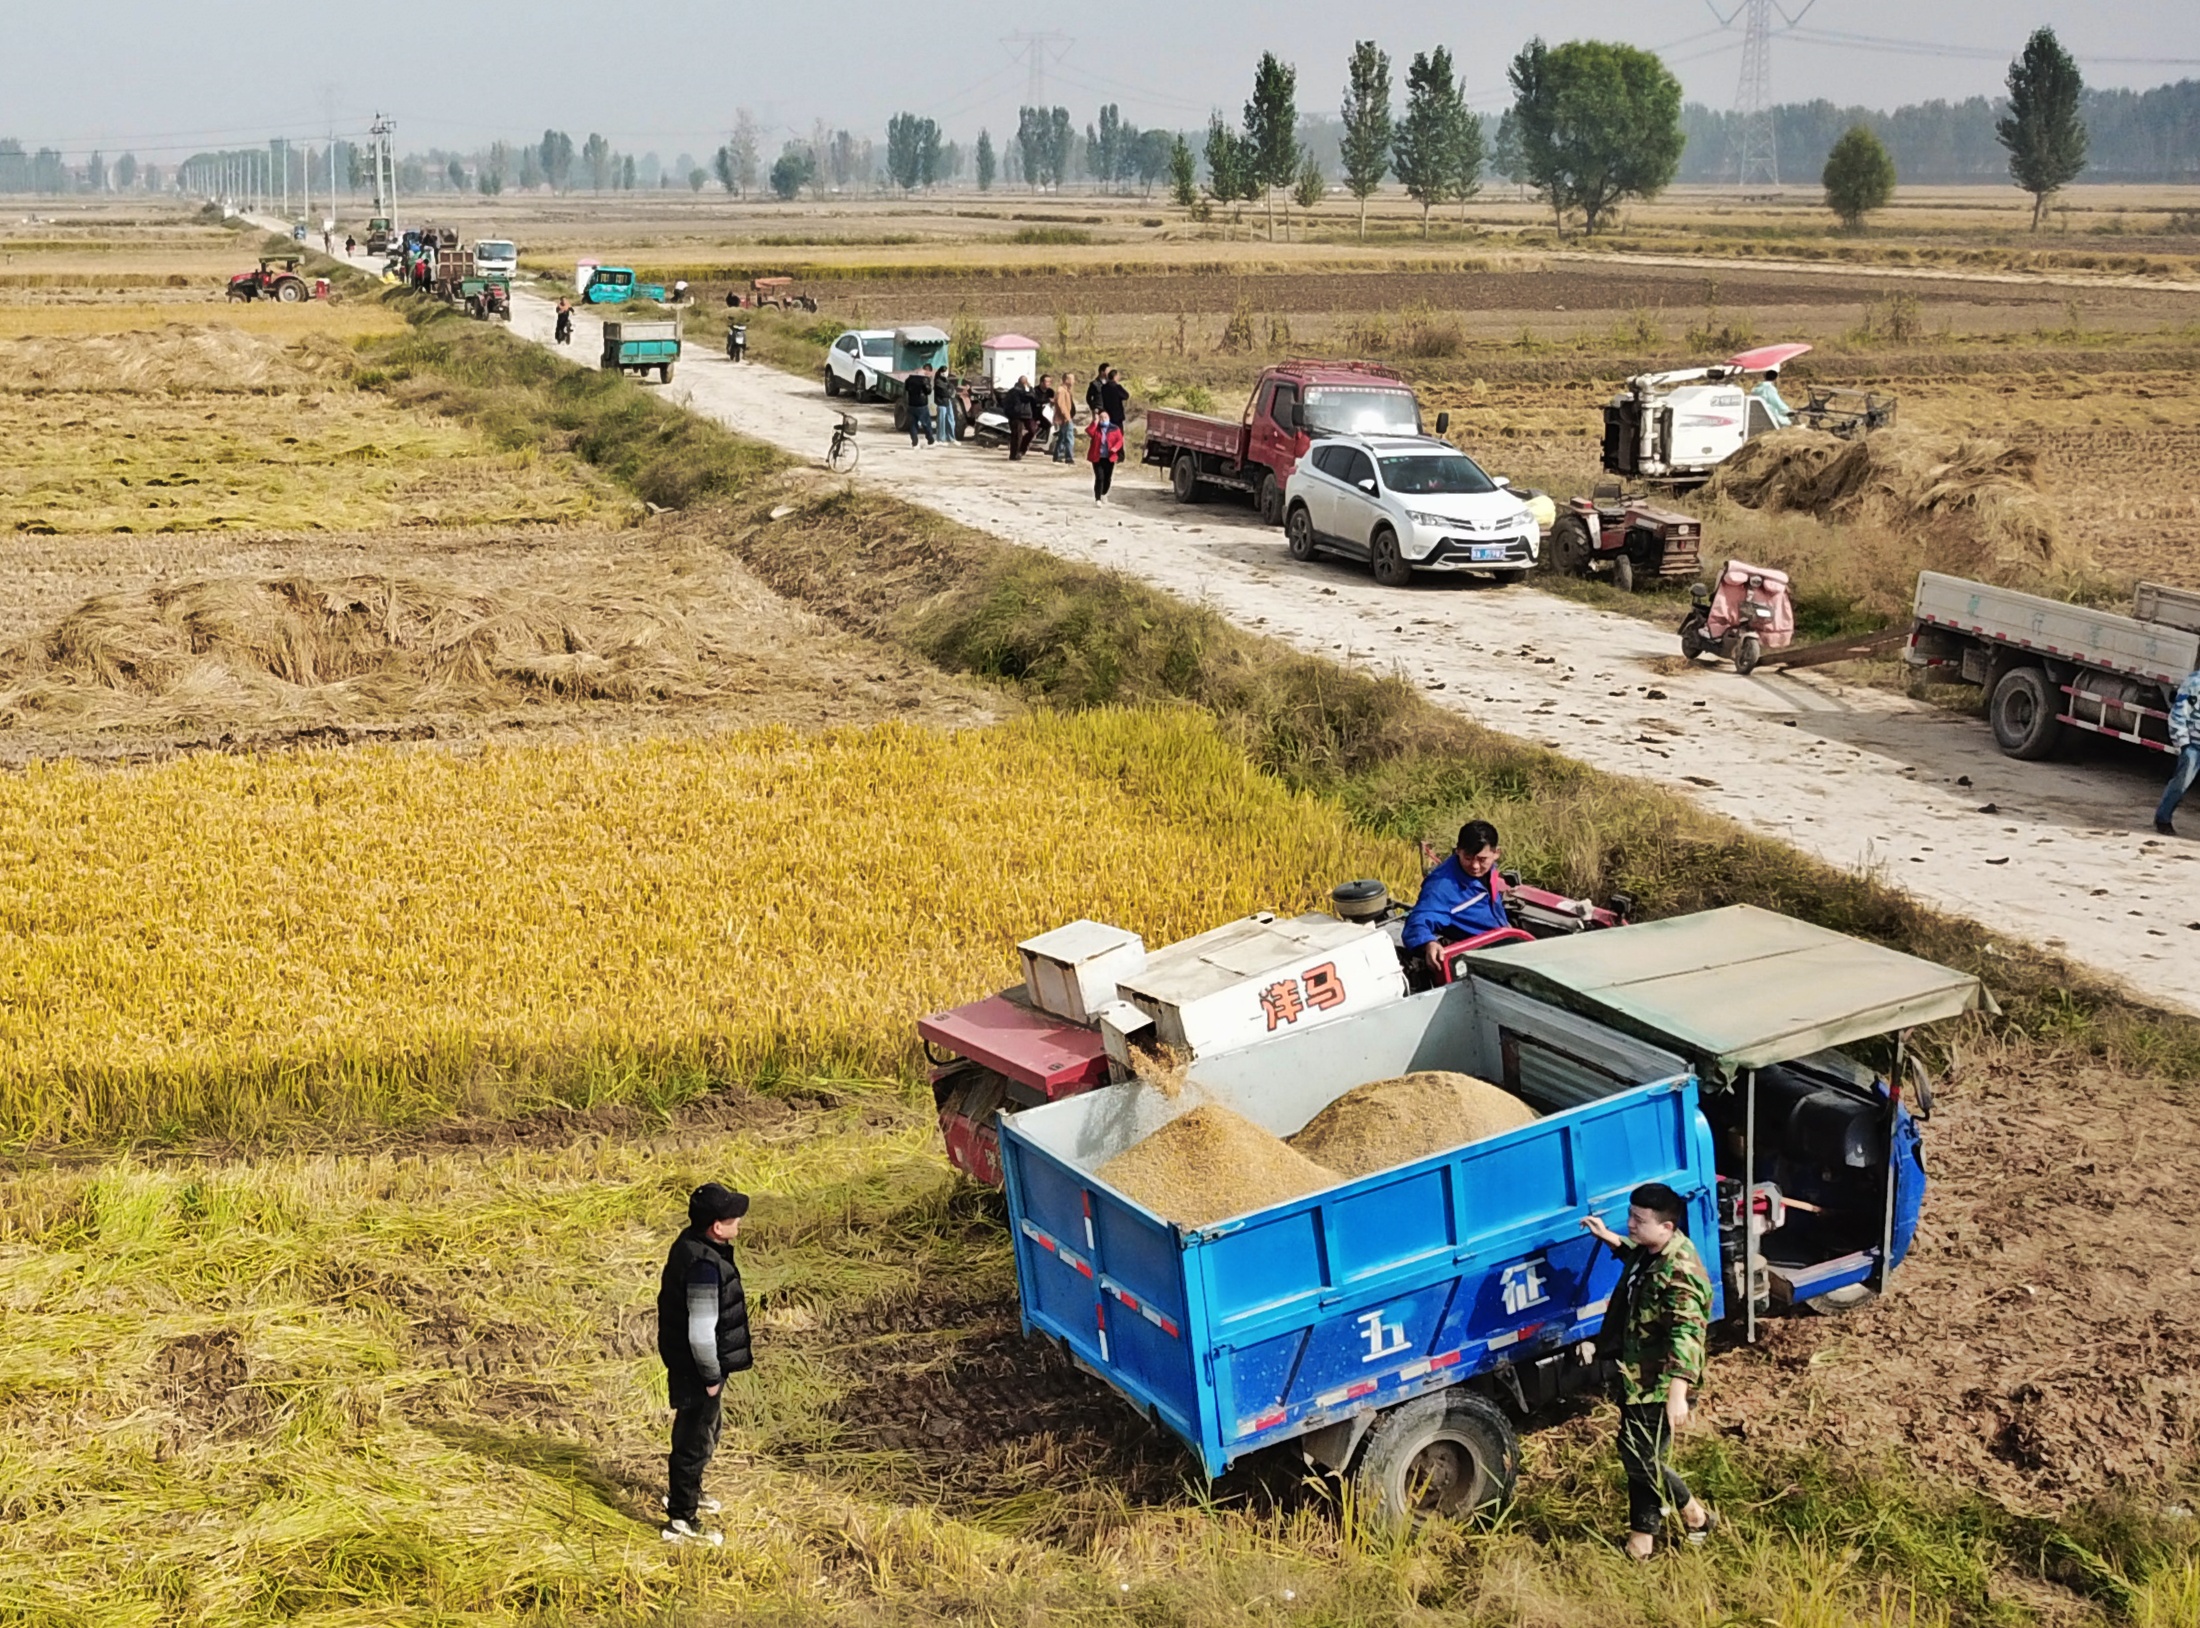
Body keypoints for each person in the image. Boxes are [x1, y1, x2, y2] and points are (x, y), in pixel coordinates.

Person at [1581, 1184, 1716, 1560]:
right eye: (1630, 1217)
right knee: (1639, 1455)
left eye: (1639, 1221)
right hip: (1637, 1374)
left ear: (1668, 1227)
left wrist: (1678, 1395)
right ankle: (1641, 1541)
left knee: (1641, 1458)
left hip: (1659, 1383)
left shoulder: (1682, 1272)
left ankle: (1696, 1515)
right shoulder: (1651, 1250)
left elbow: (1687, 1335)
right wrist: (1610, 1239)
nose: (1630, 1225)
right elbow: (1638, 1260)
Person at [658, 1181, 753, 1547]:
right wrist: (711, 1376)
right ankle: (681, 1519)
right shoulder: (703, 1265)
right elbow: (700, 1333)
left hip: (694, 1365)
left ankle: (688, 1494)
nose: (739, 1223)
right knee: (694, 1441)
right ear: (717, 1226)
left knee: (705, 1433)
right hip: (698, 1369)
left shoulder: (694, 1245)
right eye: (734, 1218)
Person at [1401, 819, 1509, 974]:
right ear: (1458, 850)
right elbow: (1418, 920)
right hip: (1477, 956)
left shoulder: (1488, 871)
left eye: (1482, 859)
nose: (1475, 866)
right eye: (1468, 858)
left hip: (1502, 938)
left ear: (1496, 853)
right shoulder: (1442, 887)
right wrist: (1428, 943)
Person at [2157, 668, 2200, 834]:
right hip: (2194, 745)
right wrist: (2183, 743)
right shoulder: (2195, 682)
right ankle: (2163, 819)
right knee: (2180, 784)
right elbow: (2178, 713)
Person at [1088, 410, 1123, 503]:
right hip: (1097, 457)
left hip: (1109, 457)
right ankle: (1098, 499)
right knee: (1099, 477)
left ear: (1109, 418)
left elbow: (1120, 440)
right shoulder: (1096, 428)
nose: (1103, 419)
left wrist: (1115, 448)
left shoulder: (1114, 428)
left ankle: (1104, 494)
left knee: (1107, 478)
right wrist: (1095, 422)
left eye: (1105, 417)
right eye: (1101, 418)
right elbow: (1089, 432)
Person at [1004, 375, 1037, 460]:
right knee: (1016, 435)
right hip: (1016, 415)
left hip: (1027, 414)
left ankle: (1021, 450)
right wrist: (1010, 413)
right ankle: (1014, 455)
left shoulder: (1030, 390)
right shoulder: (1014, 391)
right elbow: (1008, 403)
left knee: (1032, 431)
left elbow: (1032, 398)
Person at [905, 364, 936, 447]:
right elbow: (928, 391)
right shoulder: (924, 380)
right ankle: (930, 440)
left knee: (913, 424)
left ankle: (914, 442)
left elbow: (906, 389)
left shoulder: (909, 379)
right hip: (922, 404)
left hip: (911, 404)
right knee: (926, 423)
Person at [1052, 373, 1079, 462]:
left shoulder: (1067, 390)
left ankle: (1058, 455)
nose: (1074, 381)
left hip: (1066, 417)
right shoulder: (1061, 390)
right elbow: (1061, 404)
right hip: (1065, 418)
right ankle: (1069, 457)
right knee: (1069, 437)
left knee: (1063, 437)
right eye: (1072, 379)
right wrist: (1066, 417)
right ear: (1066, 380)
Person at [1099, 366, 1130, 435]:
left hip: (1107, 415)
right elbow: (1126, 395)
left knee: (1108, 435)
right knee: (1118, 436)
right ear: (1115, 377)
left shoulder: (1103, 387)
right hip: (1117, 416)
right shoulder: (1117, 387)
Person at [935, 369, 960, 443]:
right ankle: (941, 439)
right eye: (943, 372)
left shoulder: (947, 381)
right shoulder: (938, 381)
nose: (944, 374)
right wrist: (949, 392)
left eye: (945, 372)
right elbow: (944, 392)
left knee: (951, 419)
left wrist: (951, 392)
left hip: (948, 402)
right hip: (941, 402)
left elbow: (952, 389)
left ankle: (951, 438)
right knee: (941, 421)